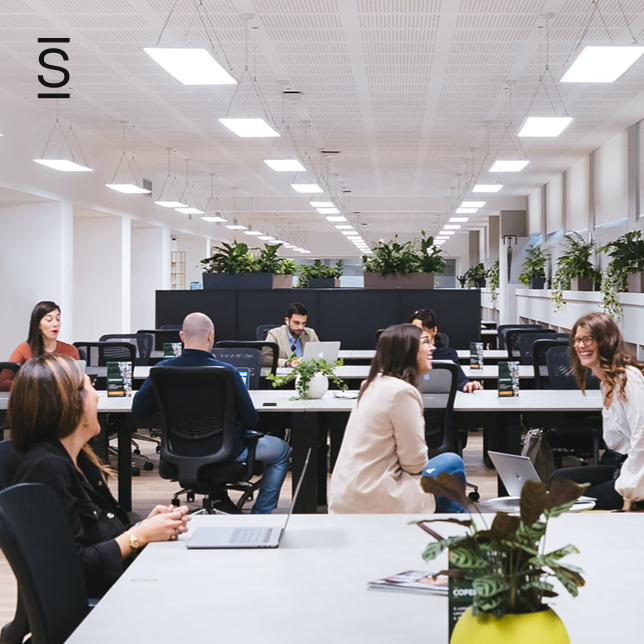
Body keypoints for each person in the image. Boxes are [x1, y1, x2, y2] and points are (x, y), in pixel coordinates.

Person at [8, 354, 190, 598]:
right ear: (72, 404)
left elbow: (102, 537)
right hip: (101, 608)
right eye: (90, 386)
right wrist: (139, 535)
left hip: (121, 587)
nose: (97, 394)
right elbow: (72, 569)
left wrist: (145, 527)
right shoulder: (46, 470)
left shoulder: (81, 459)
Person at [133, 312, 290, 514]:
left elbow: (139, 411)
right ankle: (260, 514)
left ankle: (219, 497)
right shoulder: (226, 372)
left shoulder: (161, 371)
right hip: (227, 452)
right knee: (282, 450)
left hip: (177, 452)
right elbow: (251, 420)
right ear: (211, 336)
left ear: (181, 337)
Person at [329, 324, 467, 514]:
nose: (433, 348)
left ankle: (448, 534)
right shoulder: (402, 392)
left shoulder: (372, 384)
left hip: (347, 495)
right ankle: (456, 536)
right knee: (452, 462)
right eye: (426, 342)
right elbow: (415, 463)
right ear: (407, 350)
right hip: (375, 496)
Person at [549, 312, 644, 511]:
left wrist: (629, 494)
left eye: (587, 339)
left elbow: (641, 436)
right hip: (620, 465)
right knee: (558, 480)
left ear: (605, 341)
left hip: (638, 472)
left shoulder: (628, 378)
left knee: (565, 500)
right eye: (577, 340)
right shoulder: (606, 382)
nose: (581, 346)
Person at [0, 301, 80, 391]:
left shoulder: (71, 350)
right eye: (49, 320)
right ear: (38, 324)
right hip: (34, 402)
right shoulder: (24, 349)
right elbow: (2, 381)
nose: (55, 324)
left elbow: (77, 381)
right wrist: (32, 386)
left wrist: (85, 382)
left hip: (64, 401)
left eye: (58, 319)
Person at [410, 308, 482, 393]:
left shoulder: (447, 355)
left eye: (420, 331)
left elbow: (460, 380)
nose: (416, 335)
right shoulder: (408, 354)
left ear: (434, 330)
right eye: (413, 331)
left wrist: (467, 384)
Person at [262, 302, 320, 367]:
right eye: (296, 323)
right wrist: (287, 363)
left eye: (303, 323)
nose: (301, 327)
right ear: (287, 320)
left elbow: (320, 356)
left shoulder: (311, 334)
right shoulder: (274, 334)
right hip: (283, 376)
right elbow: (265, 358)